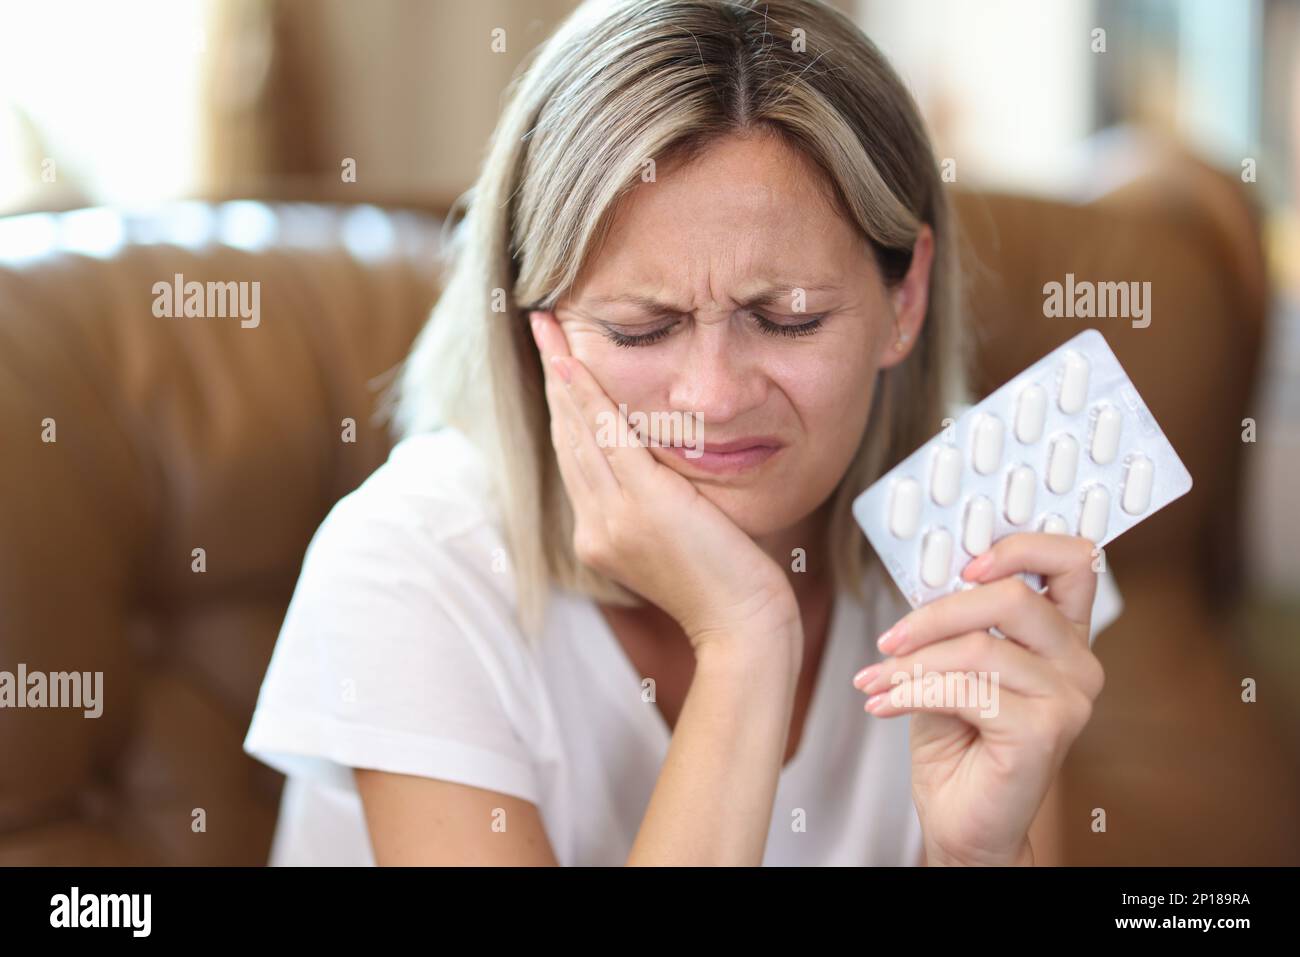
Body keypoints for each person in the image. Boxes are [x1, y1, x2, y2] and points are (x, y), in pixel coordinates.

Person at [244, 0, 1109, 866]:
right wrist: (744, 640)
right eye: (640, 327)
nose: (713, 396)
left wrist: (978, 857)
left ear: (905, 299)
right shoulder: (412, 561)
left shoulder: (984, 536)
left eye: (790, 318)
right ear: (529, 318)